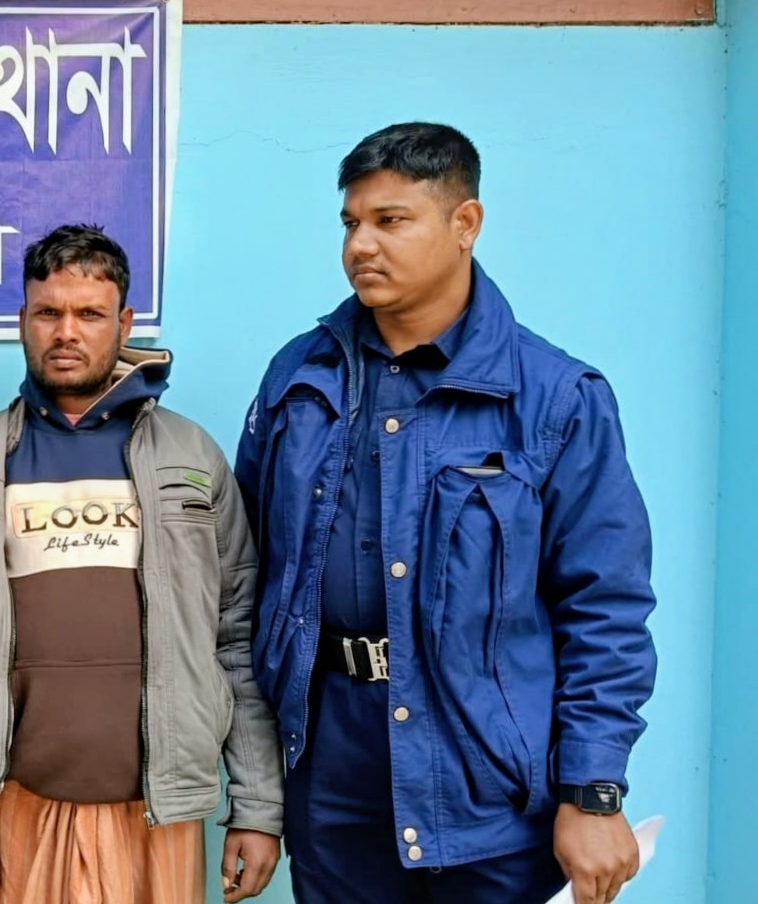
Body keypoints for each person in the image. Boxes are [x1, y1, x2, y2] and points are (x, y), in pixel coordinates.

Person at [235, 122, 656, 904]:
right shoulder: (298, 380)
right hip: (332, 784)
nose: (360, 244)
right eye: (350, 223)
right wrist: (258, 792)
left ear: (465, 223)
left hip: (488, 790)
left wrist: (592, 790)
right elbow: (250, 576)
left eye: (390, 220)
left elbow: (604, 606)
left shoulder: (553, 397)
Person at [0, 224, 284, 904]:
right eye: (48, 312)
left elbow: (236, 636)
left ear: (122, 324)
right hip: (18, 800)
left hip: (160, 807)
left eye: (89, 314)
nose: (66, 332)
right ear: (22, 321)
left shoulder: (191, 456)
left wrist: (258, 807)